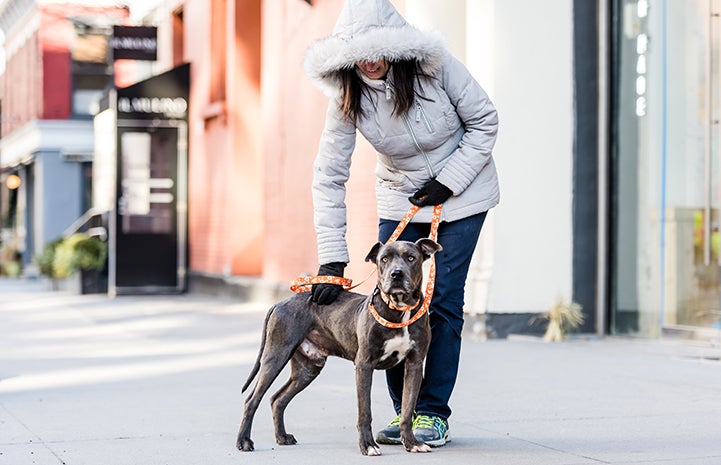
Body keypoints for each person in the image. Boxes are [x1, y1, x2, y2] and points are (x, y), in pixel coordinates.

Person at [303, 0, 499, 448]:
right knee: (389, 298)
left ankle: (432, 414)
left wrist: (448, 182)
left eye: (378, 50)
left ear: (396, 46)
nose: (369, 62)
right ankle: (404, 413)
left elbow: (485, 121)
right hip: (401, 197)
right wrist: (332, 258)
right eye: (359, 54)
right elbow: (329, 175)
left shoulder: (436, 68)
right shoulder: (347, 97)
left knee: (443, 300)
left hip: (465, 192)